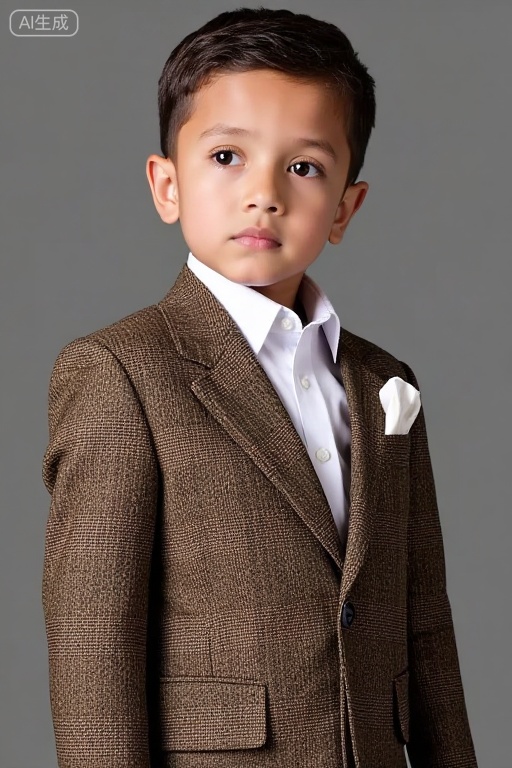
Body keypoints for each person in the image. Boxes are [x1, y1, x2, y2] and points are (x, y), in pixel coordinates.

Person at [41, 7, 478, 767]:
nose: (264, 193)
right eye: (226, 157)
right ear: (166, 184)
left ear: (345, 206)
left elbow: (425, 621)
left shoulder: (385, 382)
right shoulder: (122, 372)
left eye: (303, 166)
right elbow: (93, 646)